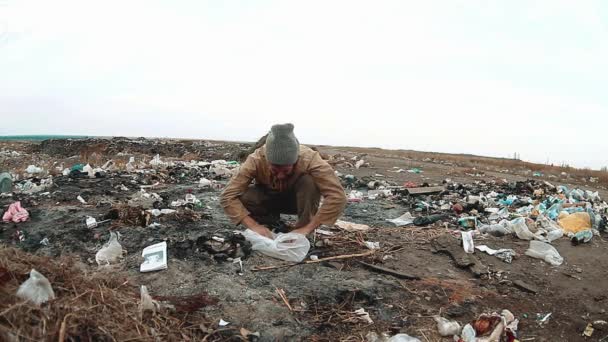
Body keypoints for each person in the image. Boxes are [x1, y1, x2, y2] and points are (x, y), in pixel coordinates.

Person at [221, 123, 347, 237]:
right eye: (275, 170)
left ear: (296, 160)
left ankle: (302, 230)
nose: (280, 176)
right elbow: (227, 196)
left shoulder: (310, 159)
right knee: (246, 196)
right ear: (267, 160)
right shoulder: (256, 160)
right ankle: (268, 224)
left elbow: (337, 196)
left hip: (297, 201)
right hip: (268, 199)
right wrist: (254, 226)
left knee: (310, 182)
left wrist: (308, 228)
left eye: (286, 171)